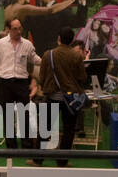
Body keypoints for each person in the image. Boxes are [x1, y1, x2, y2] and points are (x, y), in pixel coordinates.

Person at [0, 19, 40, 151]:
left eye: (20, 28)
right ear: (8, 30)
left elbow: (35, 58)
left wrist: (48, 60)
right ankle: (11, 147)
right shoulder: (0, 44)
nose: (18, 31)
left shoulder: (27, 44)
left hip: (22, 83)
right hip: (5, 83)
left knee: (24, 114)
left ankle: (27, 146)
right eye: (15, 29)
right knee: (8, 115)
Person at [31, 26, 87, 167]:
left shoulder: (48, 55)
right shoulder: (77, 56)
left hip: (51, 97)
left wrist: (46, 88)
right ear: (72, 40)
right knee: (69, 130)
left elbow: (42, 77)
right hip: (71, 100)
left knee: (45, 128)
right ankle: (62, 161)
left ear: (59, 39)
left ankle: (38, 160)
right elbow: (82, 77)